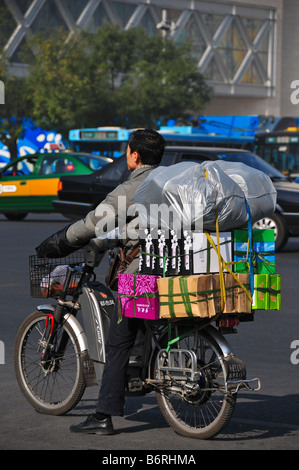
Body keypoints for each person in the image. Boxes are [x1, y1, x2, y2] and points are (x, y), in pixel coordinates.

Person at [36, 129, 166, 435]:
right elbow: (129, 228)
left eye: (127, 151)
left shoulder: (135, 187)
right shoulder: (170, 183)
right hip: (175, 267)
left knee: (118, 340)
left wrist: (59, 242)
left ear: (135, 155)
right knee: (140, 327)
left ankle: (104, 414)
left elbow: (96, 222)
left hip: (143, 274)